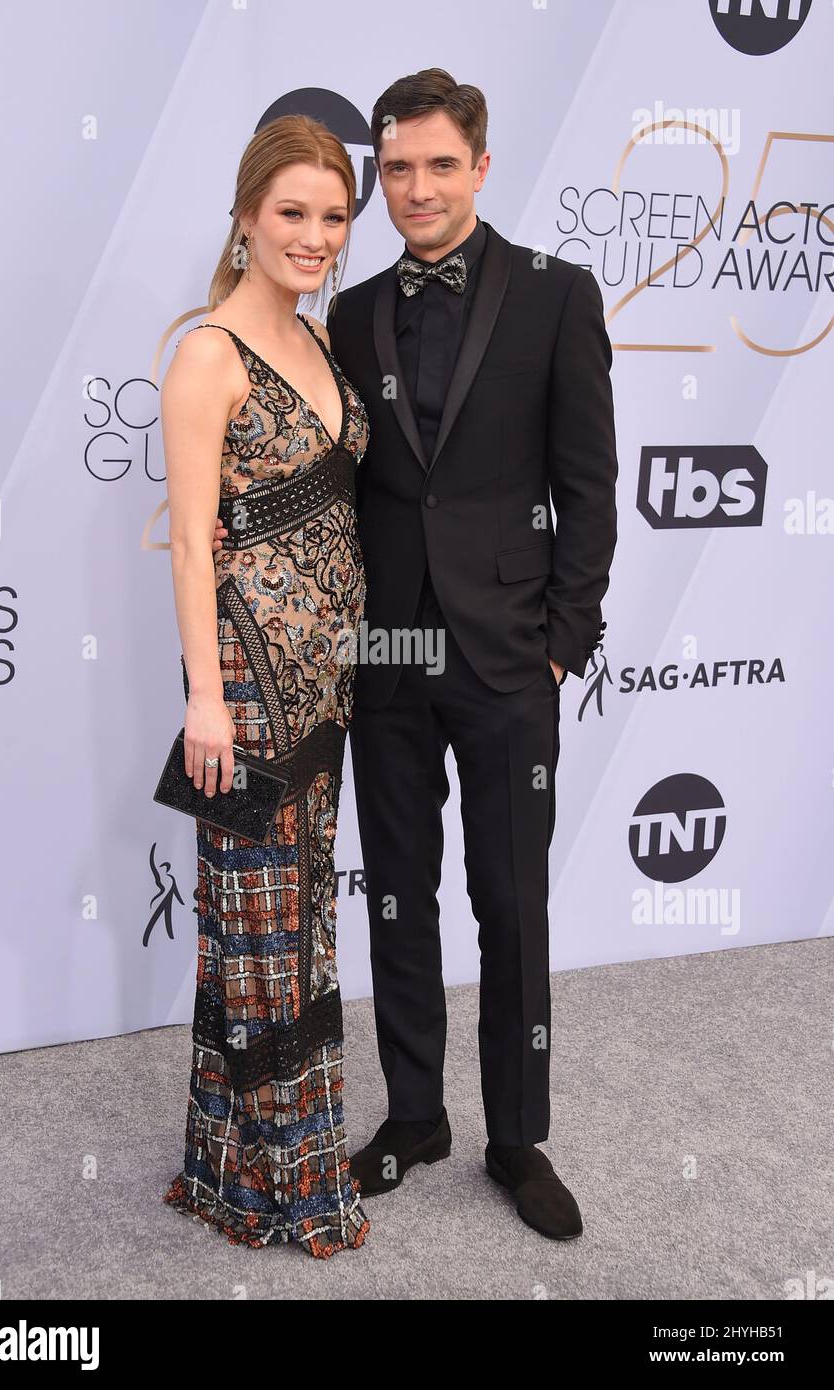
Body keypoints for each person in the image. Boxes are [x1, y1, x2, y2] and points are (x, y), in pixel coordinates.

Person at [214, 69, 618, 1242]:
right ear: (375, 174)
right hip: (383, 649)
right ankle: (416, 1116)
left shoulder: (555, 295)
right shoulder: (347, 310)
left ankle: (515, 1137)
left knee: (512, 906)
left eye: (442, 166)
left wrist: (560, 645)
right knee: (396, 897)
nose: (418, 188)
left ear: (481, 169)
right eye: (396, 169)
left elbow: (588, 490)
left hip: (506, 657)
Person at [161, 114, 370, 1258]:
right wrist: (203, 698)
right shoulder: (209, 353)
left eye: (332, 216)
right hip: (241, 689)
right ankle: (271, 1186)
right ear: (245, 217)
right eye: (290, 212)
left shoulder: (321, 338)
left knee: (300, 929)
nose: (313, 235)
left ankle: (241, 1162)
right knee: (255, 931)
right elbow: (193, 544)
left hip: (328, 684)